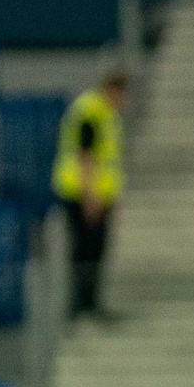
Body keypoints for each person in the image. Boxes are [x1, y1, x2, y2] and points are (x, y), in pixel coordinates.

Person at [54, 69, 129, 320]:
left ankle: (90, 302)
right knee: (84, 250)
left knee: (95, 250)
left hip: (96, 194)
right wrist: (91, 197)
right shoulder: (90, 111)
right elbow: (86, 156)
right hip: (82, 193)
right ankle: (81, 304)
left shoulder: (105, 113)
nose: (123, 102)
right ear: (112, 89)